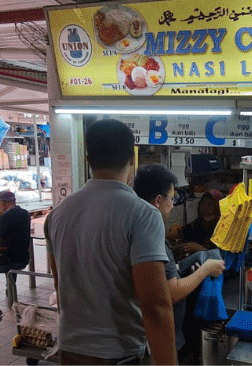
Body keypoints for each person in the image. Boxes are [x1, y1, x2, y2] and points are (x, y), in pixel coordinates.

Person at [44, 119, 176, 365]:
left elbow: (61, 288)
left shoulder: (57, 215)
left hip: (70, 351)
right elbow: (155, 305)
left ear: (87, 159)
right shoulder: (143, 214)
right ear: (131, 160)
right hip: (118, 355)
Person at [134, 166, 226, 361]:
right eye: (172, 198)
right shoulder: (152, 235)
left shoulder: (132, 223)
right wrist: (207, 268)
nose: (173, 205)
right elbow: (171, 293)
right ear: (159, 200)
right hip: (157, 338)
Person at [172, 190, 223, 258]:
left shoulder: (222, 227)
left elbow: (220, 255)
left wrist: (200, 248)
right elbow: (180, 232)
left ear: (217, 206)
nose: (205, 207)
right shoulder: (198, 222)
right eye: (203, 203)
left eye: (209, 204)